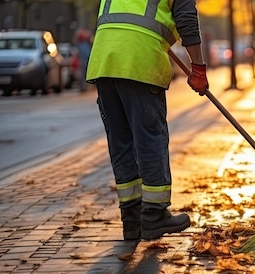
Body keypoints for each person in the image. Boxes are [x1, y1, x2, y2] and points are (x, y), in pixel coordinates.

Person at [86, 0, 209, 241]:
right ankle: (154, 215)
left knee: (121, 142)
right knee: (150, 139)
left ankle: (131, 221)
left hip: (104, 58)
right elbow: (186, 21)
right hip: (138, 59)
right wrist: (198, 67)